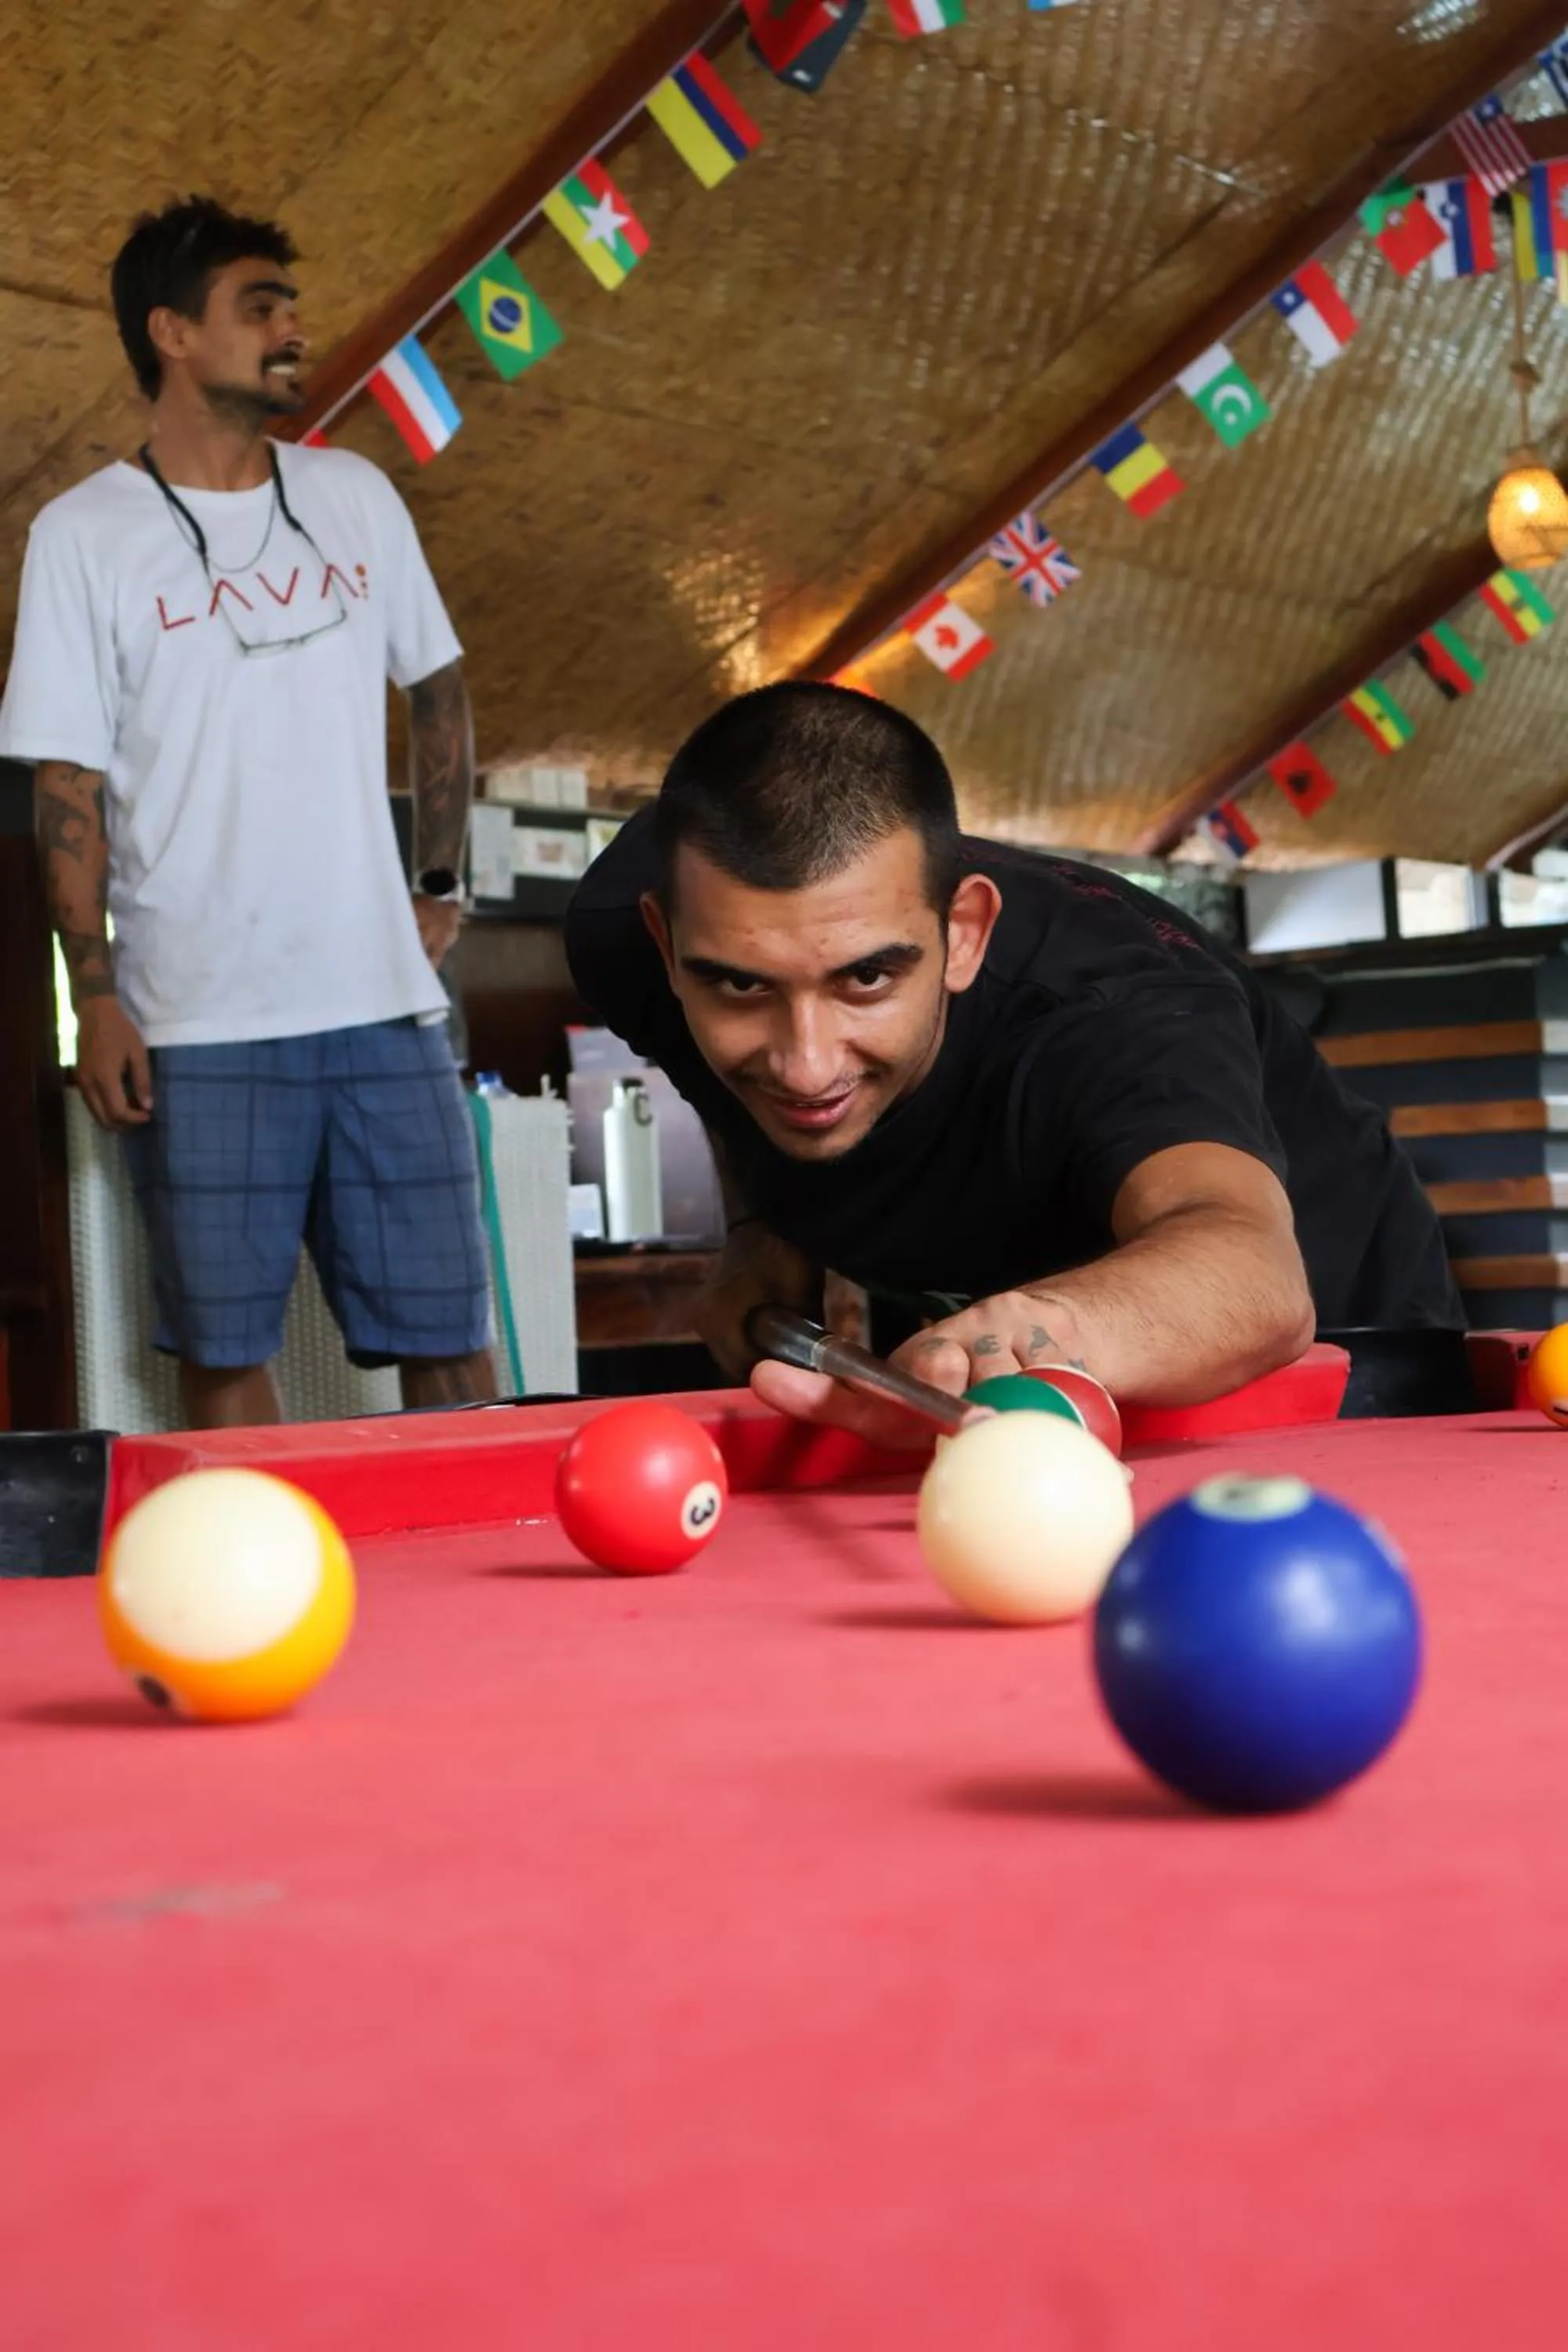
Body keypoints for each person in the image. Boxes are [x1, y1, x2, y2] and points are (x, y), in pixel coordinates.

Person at [565, 682, 1461, 1446]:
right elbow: (719, 1085)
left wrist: (1022, 1337)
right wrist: (761, 1225)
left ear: (963, 935)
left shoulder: (1108, 1010)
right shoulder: (626, 943)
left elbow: (1250, 1273)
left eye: (868, 978)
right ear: (666, 944)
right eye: (739, 988)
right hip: (1023, 1356)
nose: (804, 1066)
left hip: (1337, 1337)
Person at [0, 196, 495, 1428]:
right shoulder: (85, 533)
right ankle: (247, 1615)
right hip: (199, 1019)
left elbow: (436, 689)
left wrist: (439, 884)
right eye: (258, 305)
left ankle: (487, 1610)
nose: (292, 327)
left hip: (387, 1008)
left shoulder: (356, 497)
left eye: (290, 302)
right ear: (171, 332)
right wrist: (96, 994)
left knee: (450, 1340)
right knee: (222, 1350)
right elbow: (63, 781)